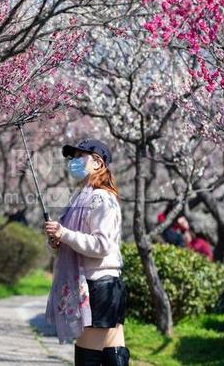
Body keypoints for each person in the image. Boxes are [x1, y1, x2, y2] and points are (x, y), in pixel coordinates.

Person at [44, 138, 129, 366]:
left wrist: (65, 234)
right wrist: (57, 240)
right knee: (113, 349)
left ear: (97, 162)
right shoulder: (82, 198)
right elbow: (73, 241)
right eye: (72, 157)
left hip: (99, 285)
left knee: (87, 355)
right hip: (105, 284)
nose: (73, 162)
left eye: (79, 156)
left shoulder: (100, 198)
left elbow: (102, 246)